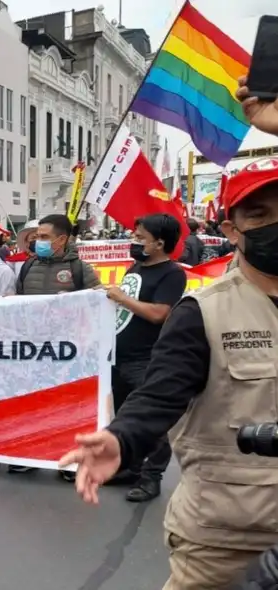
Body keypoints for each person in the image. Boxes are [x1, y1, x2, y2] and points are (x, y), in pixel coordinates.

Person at [58, 157, 278, 590]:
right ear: (231, 230)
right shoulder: (203, 313)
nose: (275, 224)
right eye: (259, 215)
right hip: (228, 543)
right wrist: (121, 437)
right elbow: (159, 395)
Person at [103, 213, 187, 503]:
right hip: (120, 355)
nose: (134, 242)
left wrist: (121, 298)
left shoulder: (172, 274)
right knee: (126, 416)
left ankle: (152, 477)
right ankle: (131, 468)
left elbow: (159, 314)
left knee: (152, 420)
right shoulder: (135, 267)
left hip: (146, 359)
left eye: (140, 238)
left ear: (160, 243)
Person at [14, 214, 99, 478]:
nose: (37, 241)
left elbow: (99, 300)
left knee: (68, 406)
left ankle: (70, 461)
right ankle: (31, 455)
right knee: (32, 404)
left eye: (43, 237)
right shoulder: (27, 267)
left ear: (61, 239)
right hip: (33, 348)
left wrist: (74, 300)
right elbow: (17, 301)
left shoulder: (80, 269)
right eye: (36, 236)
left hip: (69, 350)